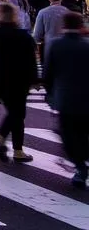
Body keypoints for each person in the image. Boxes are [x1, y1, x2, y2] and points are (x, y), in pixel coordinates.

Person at [0, 1, 38, 164]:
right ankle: (13, 146)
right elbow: (31, 60)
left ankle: (11, 146)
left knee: (14, 113)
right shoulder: (23, 36)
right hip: (19, 80)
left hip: (1, 81)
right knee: (18, 114)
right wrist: (34, 80)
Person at [43, 10, 89, 187]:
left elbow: (49, 73)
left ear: (64, 26)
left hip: (66, 99)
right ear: (80, 25)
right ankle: (83, 158)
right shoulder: (86, 45)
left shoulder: (55, 45)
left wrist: (49, 93)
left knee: (68, 135)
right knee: (84, 132)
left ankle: (80, 167)